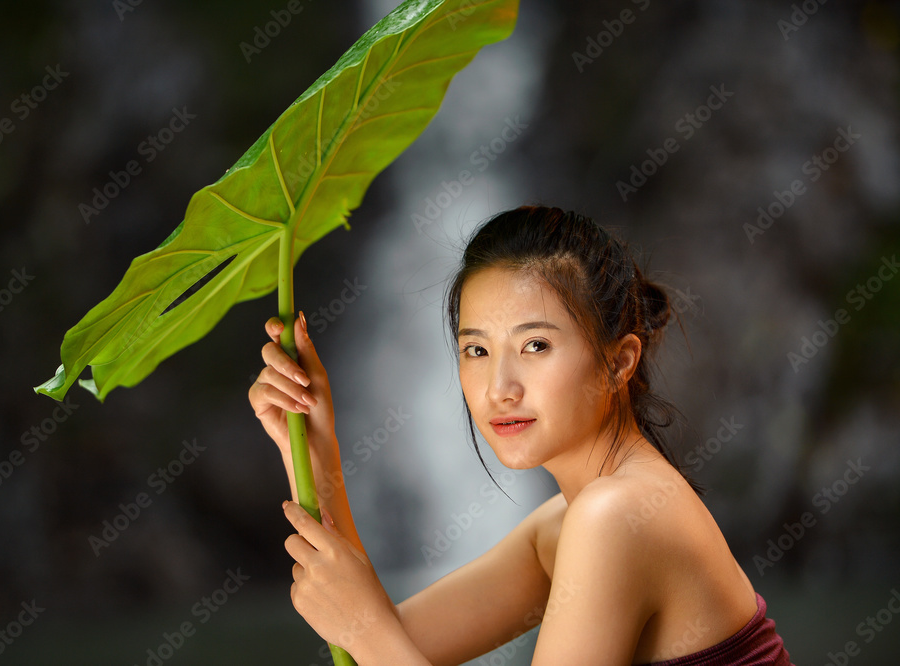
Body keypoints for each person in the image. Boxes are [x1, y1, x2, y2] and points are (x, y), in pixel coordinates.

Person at [249, 205, 793, 665]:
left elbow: (373, 638)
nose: (499, 389)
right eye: (476, 350)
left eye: (535, 345)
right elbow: (388, 641)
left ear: (619, 360)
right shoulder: (566, 523)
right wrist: (313, 444)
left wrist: (366, 630)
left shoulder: (617, 515)